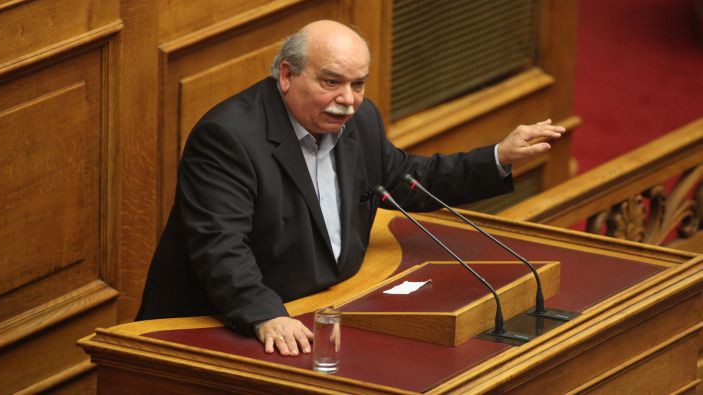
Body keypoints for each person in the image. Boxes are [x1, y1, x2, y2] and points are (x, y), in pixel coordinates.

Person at [136, 20, 565, 357]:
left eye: (358, 84)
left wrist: (498, 156)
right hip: (217, 329)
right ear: (286, 75)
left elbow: (406, 179)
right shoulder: (229, 137)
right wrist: (265, 315)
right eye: (331, 82)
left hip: (324, 312)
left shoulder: (361, 121)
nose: (347, 99)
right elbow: (220, 245)